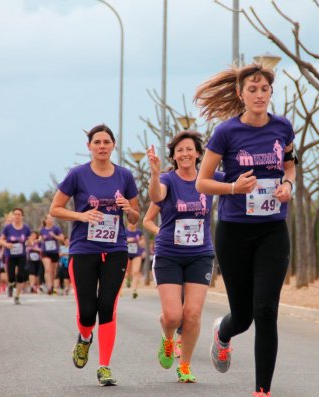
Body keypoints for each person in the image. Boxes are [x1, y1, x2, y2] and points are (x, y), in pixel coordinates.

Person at [194, 63, 296, 397]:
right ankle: (223, 333)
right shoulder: (226, 132)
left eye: (263, 89)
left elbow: (290, 165)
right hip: (234, 231)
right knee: (244, 316)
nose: (258, 95)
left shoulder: (283, 128)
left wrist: (288, 186)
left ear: (270, 93)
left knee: (266, 310)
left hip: (272, 230)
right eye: (251, 90)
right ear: (240, 94)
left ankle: (261, 391)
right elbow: (203, 181)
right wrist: (234, 188)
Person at [49, 123, 139, 387]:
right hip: (83, 249)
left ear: (113, 146)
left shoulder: (125, 176)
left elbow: (134, 218)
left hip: (115, 250)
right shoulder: (77, 175)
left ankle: (104, 367)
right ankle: (85, 338)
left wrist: (127, 209)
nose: (102, 146)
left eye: (106, 142)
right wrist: (81, 215)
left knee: (107, 307)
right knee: (88, 311)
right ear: (89, 146)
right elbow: (56, 209)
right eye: (97, 142)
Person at [143, 131, 223, 383]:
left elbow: (235, 182)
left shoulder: (208, 179)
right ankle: (168, 339)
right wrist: (155, 174)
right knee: (174, 316)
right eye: (180, 150)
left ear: (198, 154)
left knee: (193, 314)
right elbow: (156, 196)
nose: (185, 154)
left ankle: (185, 365)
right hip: (169, 254)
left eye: (189, 149)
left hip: (200, 254)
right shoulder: (168, 179)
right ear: (174, 156)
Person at [0, 208, 31, 304]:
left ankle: (17, 296)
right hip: (10, 255)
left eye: (19, 214)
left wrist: (29, 241)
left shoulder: (26, 228)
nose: (17, 216)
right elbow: (1, 239)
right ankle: (11, 284)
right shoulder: (8, 228)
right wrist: (6, 245)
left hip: (21, 255)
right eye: (15, 214)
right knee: (11, 276)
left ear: (22, 216)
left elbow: (30, 238)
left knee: (21, 275)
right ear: (13, 216)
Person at [40, 214, 65, 294]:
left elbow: (62, 238)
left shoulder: (56, 228)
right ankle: (49, 287)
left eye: (52, 219)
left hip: (54, 252)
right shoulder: (42, 229)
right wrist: (39, 239)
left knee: (53, 271)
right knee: (47, 269)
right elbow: (40, 238)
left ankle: (53, 286)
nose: (51, 220)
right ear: (45, 220)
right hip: (45, 251)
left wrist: (54, 236)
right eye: (49, 218)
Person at [125, 222, 143, 299]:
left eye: (135, 222)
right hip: (127, 254)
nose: (133, 224)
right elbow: (121, 241)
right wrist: (129, 240)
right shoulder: (125, 231)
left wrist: (140, 242)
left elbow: (143, 241)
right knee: (127, 272)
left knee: (136, 271)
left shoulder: (139, 232)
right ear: (128, 222)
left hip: (136, 254)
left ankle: (134, 290)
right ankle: (128, 279)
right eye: (131, 222)